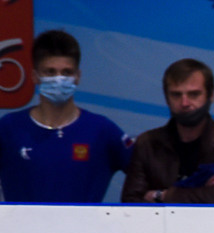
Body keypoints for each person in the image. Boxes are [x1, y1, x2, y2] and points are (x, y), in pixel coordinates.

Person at [0, 30, 132, 203]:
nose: (59, 79)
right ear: (35, 77)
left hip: (86, 229)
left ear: (78, 77)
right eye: (50, 72)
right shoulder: (9, 127)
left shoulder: (102, 130)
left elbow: (146, 173)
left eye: (67, 72)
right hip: (20, 229)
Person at [121, 58, 214, 204]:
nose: (185, 103)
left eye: (194, 94)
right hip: (160, 227)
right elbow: (130, 203)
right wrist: (202, 192)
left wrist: (161, 196)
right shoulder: (147, 143)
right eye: (176, 95)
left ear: (211, 96)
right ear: (166, 98)